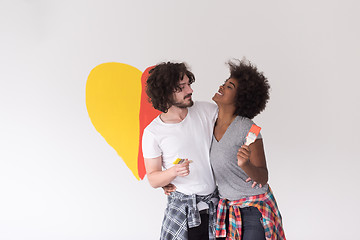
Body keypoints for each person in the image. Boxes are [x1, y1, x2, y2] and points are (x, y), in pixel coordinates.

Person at [142, 62, 219, 240]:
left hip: (216, 208)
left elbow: (232, 126)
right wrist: (173, 172)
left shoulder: (207, 111)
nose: (189, 90)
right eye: (181, 87)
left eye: (189, 85)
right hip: (183, 213)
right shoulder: (153, 132)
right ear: (165, 93)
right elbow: (153, 178)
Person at [211, 59, 286, 240]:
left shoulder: (249, 129)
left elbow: (262, 177)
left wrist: (245, 165)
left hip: (253, 211)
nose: (221, 86)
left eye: (229, 86)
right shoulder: (208, 123)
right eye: (225, 83)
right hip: (228, 211)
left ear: (240, 98)